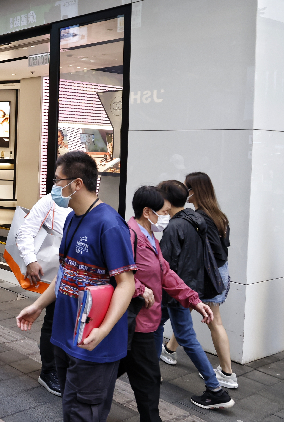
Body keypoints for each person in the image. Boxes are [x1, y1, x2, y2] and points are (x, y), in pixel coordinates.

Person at [16, 151, 136, 422]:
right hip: (64, 334)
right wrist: (37, 305)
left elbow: (126, 284)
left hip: (93, 341)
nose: (54, 188)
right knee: (71, 408)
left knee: (85, 412)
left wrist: (104, 330)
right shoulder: (71, 218)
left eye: (58, 181)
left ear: (77, 183)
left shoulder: (109, 225)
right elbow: (66, 273)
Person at [121, 186, 219, 420]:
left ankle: (83, 395)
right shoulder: (128, 234)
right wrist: (138, 288)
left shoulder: (150, 238)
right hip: (136, 321)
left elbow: (165, 272)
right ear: (147, 212)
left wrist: (193, 299)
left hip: (147, 320)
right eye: (163, 211)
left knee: (120, 370)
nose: (167, 216)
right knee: (148, 379)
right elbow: (115, 271)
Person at [156, 180, 237, 408]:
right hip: (188, 286)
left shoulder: (174, 227)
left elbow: (165, 265)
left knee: (186, 337)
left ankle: (216, 389)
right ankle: (151, 372)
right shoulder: (196, 218)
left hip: (176, 290)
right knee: (154, 325)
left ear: (167, 200)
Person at [15, 193, 72, 396]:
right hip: (58, 272)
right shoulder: (50, 201)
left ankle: (63, 367)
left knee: (69, 322)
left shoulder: (88, 203)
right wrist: (30, 260)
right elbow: (25, 231)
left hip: (77, 274)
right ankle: (49, 370)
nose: (57, 183)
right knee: (53, 319)